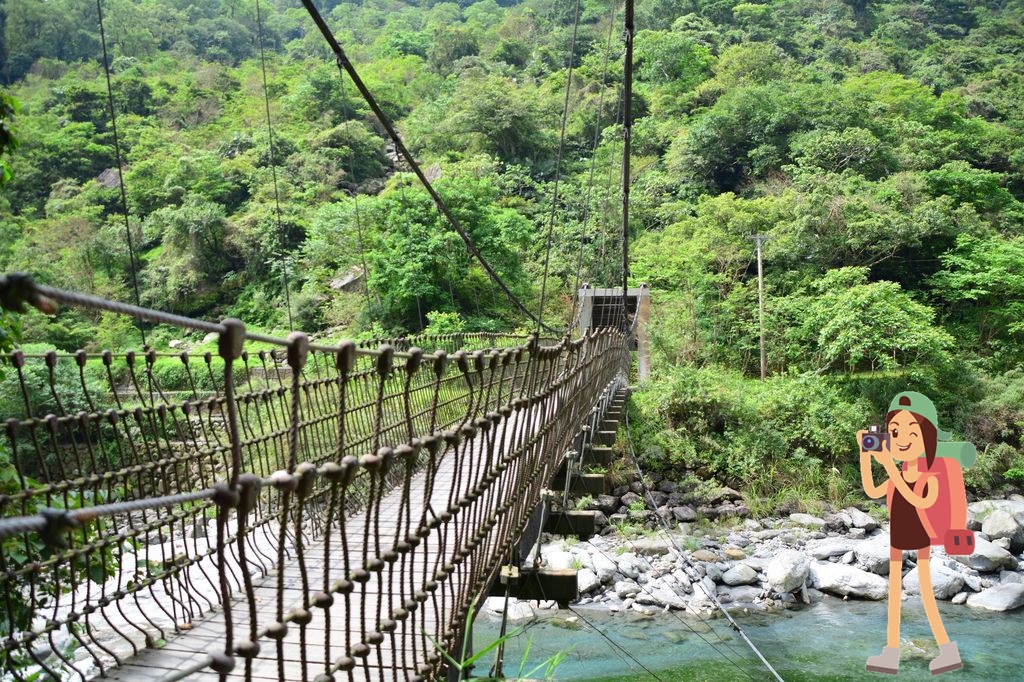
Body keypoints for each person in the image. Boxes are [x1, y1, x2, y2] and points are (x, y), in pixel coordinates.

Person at [859, 391, 962, 676]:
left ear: (928, 438)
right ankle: (891, 655)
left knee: (926, 595)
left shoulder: (931, 476)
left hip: (921, 539)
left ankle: (948, 652)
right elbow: (872, 491)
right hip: (896, 539)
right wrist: (865, 456)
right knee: (893, 595)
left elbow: (919, 501)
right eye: (894, 431)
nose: (901, 438)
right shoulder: (899, 471)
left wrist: (889, 465)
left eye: (911, 431)